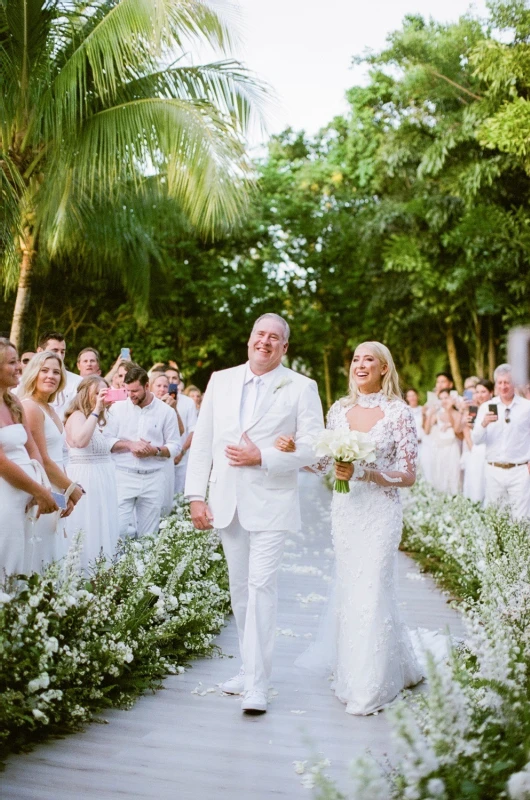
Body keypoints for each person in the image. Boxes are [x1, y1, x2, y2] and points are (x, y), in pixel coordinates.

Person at [185, 313, 324, 714]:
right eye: (259, 334)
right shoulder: (220, 380)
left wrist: (263, 455)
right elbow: (203, 441)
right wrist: (196, 495)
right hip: (226, 501)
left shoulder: (302, 386)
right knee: (240, 588)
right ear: (249, 340)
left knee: (262, 586)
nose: (265, 342)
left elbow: (314, 446)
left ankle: (259, 685)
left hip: (272, 501)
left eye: (274, 337)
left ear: (285, 347)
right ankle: (248, 669)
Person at [294, 341, 423, 715]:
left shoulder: (398, 413)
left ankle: (369, 685)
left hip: (380, 513)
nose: (360, 364)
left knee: (373, 587)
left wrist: (366, 472)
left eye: (370, 359)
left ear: (384, 368)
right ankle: (367, 667)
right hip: (346, 509)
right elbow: (323, 464)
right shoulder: (339, 409)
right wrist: (295, 455)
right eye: (355, 359)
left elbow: (409, 475)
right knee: (353, 588)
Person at [20, 352, 83, 572]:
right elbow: (42, 460)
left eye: (56, 372)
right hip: (41, 487)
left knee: (55, 551)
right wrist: (71, 488)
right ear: (33, 373)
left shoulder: (50, 409)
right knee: (42, 554)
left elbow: (60, 457)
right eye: (44, 370)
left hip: (57, 486)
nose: (51, 376)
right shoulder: (29, 407)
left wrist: (66, 494)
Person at [0, 340, 58, 576]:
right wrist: (38, 491)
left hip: (28, 495)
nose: (19, 368)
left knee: (25, 558)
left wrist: (43, 485)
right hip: (5, 495)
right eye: (12, 362)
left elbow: (31, 447)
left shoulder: (13, 402)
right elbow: (2, 463)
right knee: (7, 557)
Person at [103, 366, 181, 538]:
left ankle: (143, 565)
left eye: (135, 391)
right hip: (123, 475)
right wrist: (130, 445)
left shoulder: (166, 411)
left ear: (147, 386)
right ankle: (116, 565)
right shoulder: (117, 409)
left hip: (154, 477)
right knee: (118, 530)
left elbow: (176, 446)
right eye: (127, 390)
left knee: (148, 536)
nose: (131, 395)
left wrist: (154, 451)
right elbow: (106, 440)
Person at [64, 376, 119, 571]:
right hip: (86, 479)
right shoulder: (77, 416)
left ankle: (102, 574)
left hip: (103, 482)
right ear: (84, 394)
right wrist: (97, 409)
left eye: (103, 393)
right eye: (96, 393)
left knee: (103, 527)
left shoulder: (101, 420)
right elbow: (80, 441)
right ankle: (85, 575)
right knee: (88, 528)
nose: (100, 398)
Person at [472, 364, 530, 519]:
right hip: (493, 469)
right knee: (494, 516)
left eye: (507, 382)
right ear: (496, 384)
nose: (503, 386)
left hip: (519, 470)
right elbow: (476, 440)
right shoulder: (485, 407)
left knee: (521, 518)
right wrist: (483, 423)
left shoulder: (526, 407)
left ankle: (521, 544)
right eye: (500, 382)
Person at [149, 372, 185, 516]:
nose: (162, 389)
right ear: (150, 387)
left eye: (165, 386)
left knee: (164, 501)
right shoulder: (146, 405)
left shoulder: (171, 407)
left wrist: (174, 409)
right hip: (150, 459)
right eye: (158, 385)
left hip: (165, 460)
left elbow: (181, 431)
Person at [165, 365, 198, 495]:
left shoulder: (188, 402)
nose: (171, 381)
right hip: (162, 456)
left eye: (174, 378)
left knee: (180, 495)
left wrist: (181, 452)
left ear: (179, 381)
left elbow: (193, 430)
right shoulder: (156, 400)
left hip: (183, 458)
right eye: (168, 378)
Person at [424, 388, 462, 494]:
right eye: (441, 398)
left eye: (446, 397)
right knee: (440, 473)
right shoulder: (437, 413)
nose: (444, 401)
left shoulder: (457, 413)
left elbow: (456, 430)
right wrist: (430, 414)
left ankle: (455, 496)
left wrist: (449, 414)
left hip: (452, 448)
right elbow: (427, 431)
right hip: (440, 448)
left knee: (453, 473)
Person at [461, 379, 494, 503]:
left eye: (483, 392)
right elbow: (467, 431)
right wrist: (473, 449)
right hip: (476, 450)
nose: (479, 395)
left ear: (491, 392)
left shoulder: (493, 407)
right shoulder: (473, 409)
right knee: (475, 483)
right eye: (477, 392)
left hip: (490, 448)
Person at [36, 331, 82, 420]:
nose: (59, 356)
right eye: (54, 351)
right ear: (40, 351)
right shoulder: (24, 381)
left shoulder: (78, 382)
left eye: (62, 352)